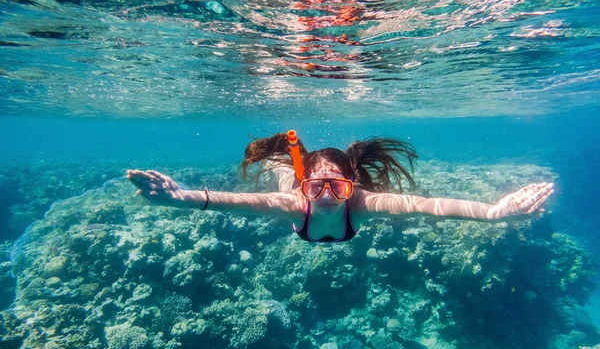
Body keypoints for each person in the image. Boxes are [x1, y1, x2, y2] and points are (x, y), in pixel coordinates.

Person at [127, 133, 554, 243]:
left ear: (352, 184)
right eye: (318, 188)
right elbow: (235, 202)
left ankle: (303, 159)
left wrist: (494, 212)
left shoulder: (363, 202)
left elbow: (428, 206)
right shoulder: (295, 200)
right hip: (294, 176)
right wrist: (181, 197)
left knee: (307, 171)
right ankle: (291, 157)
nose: (328, 196)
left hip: (311, 179)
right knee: (283, 167)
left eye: (338, 186)